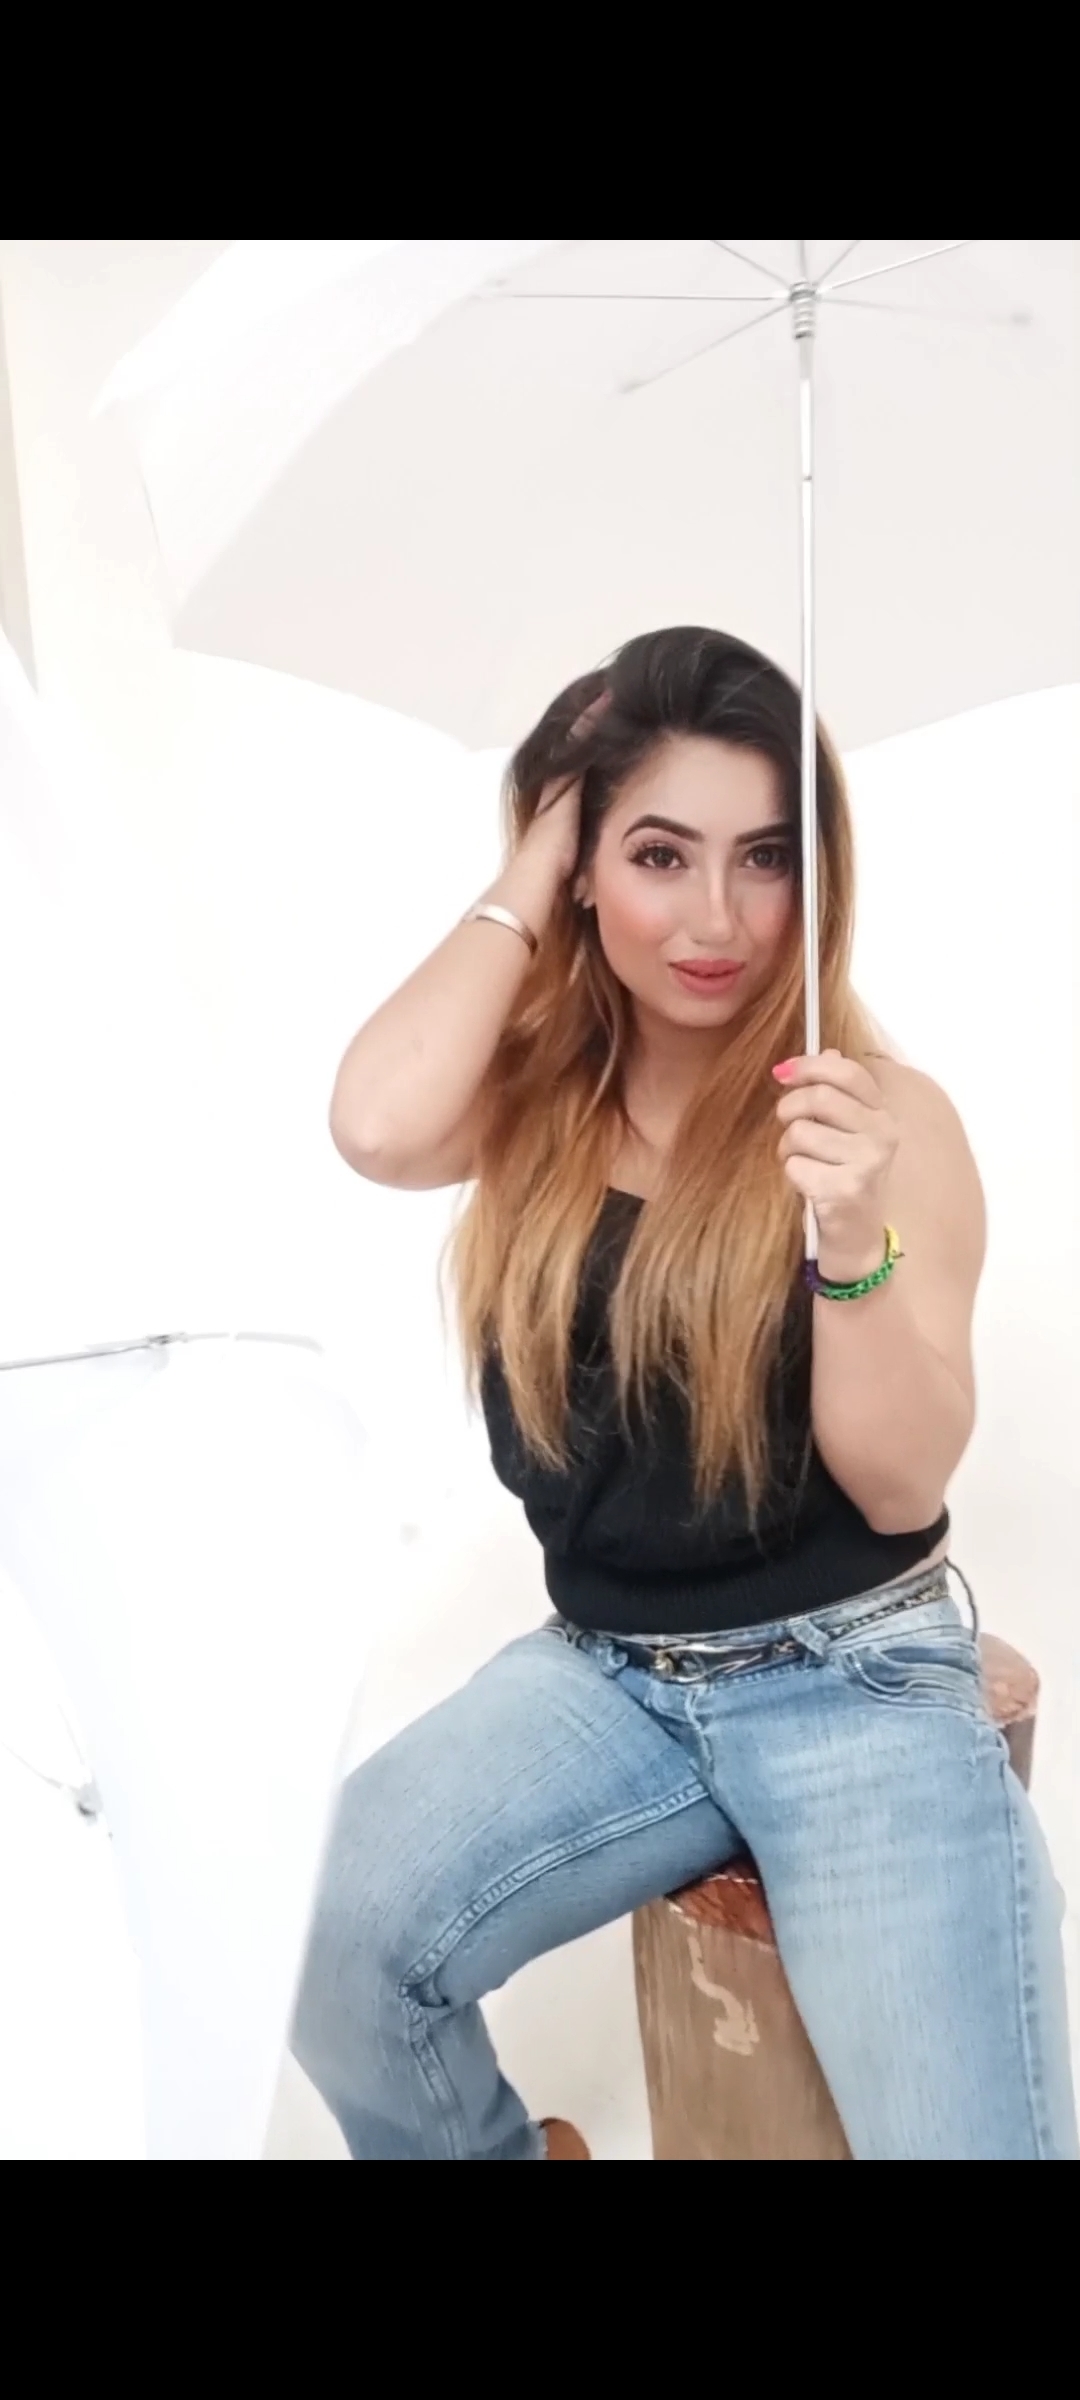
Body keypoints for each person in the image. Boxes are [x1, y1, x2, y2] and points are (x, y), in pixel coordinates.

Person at [293, 626, 1077, 2162]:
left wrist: (848, 1243)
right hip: (608, 1674)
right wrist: (533, 861)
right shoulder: (535, 1094)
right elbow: (375, 1126)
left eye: (765, 857)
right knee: (332, 1938)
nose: (717, 918)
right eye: (659, 854)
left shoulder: (874, 1117)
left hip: (851, 1681)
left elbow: (902, 1485)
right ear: (584, 865)